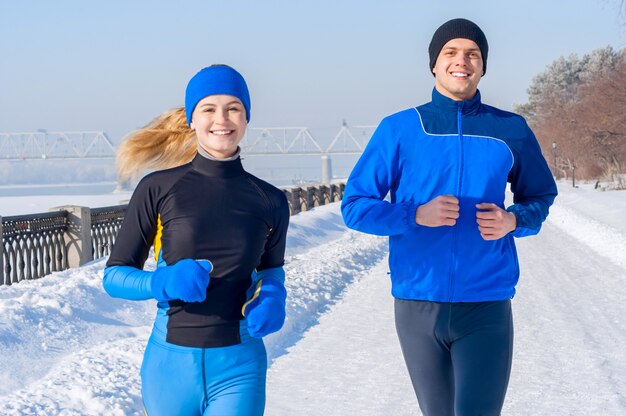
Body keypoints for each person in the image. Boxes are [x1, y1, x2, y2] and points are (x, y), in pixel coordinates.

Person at [341, 18, 557, 416]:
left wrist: (514, 220)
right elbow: (355, 206)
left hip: (486, 303)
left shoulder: (510, 129)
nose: (463, 61)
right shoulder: (400, 129)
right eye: (451, 53)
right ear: (435, 65)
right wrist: (413, 215)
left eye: (472, 54)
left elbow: (541, 194)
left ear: (483, 65)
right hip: (417, 303)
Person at [103, 64, 290, 416]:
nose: (222, 118)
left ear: (246, 118)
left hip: (239, 364)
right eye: (209, 108)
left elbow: (272, 270)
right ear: (192, 119)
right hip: (169, 366)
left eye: (234, 107)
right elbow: (114, 277)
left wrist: (275, 295)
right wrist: (163, 281)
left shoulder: (271, 200)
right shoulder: (157, 189)